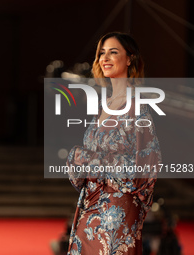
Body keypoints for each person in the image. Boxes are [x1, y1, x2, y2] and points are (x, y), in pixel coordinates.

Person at [66, 32, 162, 255]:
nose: (105, 58)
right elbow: (87, 162)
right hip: (89, 207)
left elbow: (147, 166)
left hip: (118, 211)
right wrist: (78, 158)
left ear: (129, 59)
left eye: (113, 52)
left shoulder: (138, 107)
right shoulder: (104, 105)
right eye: (101, 53)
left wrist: (95, 160)